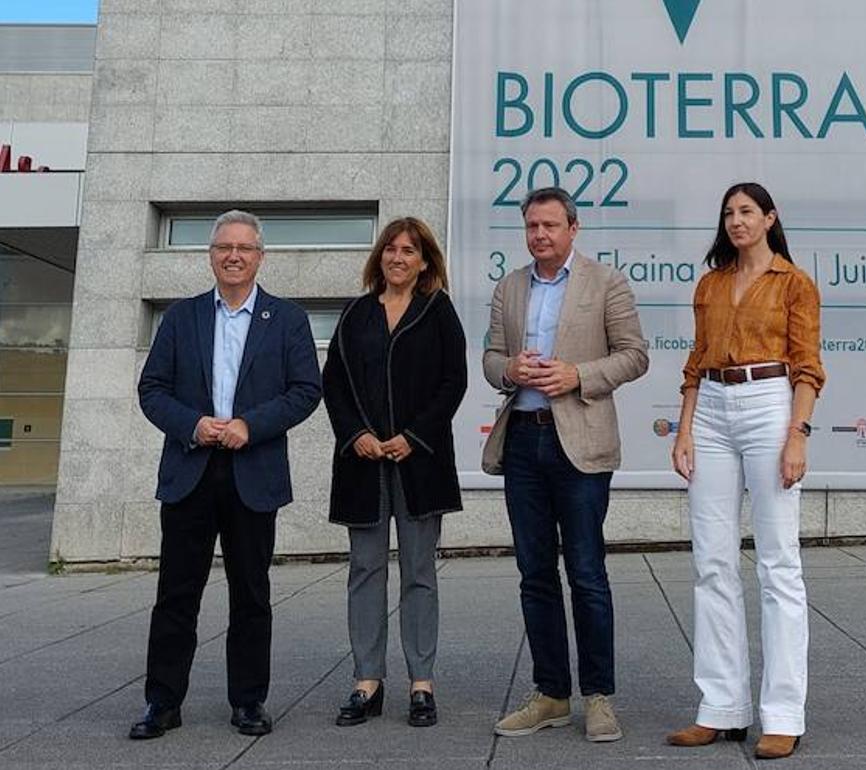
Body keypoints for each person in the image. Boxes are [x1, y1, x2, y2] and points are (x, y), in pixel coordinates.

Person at [130, 210, 322, 739]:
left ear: (260, 256)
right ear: (211, 255)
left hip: (251, 473)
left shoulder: (287, 319)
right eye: (223, 247)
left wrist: (249, 425)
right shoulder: (181, 317)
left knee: (252, 595)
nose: (233, 255)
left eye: (244, 247)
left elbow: (306, 390)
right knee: (175, 594)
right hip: (190, 471)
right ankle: (162, 704)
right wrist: (192, 424)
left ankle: (248, 702)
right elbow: (152, 391)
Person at [482, 187, 648, 743]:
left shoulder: (606, 283)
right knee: (534, 574)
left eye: (550, 225)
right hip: (524, 444)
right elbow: (489, 359)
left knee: (587, 573)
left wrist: (578, 375)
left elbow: (634, 355)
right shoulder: (510, 286)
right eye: (532, 226)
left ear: (573, 229)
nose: (540, 235)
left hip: (580, 442)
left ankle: (598, 696)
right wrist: (512, 368)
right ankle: (551, 693)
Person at [667, 183, 825, 760]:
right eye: (729, 213)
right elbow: (694, 362)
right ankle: (722, 708)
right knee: (711, 560)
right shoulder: (710, 283)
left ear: (769, 218)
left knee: (778, 562)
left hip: (769, 404)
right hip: (710, 406)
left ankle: (783, 713)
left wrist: (796, 435)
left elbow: (808, 367)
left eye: (747, 212)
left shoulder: (794, 282)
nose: (736, 221)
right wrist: (684, 430)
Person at [322, 217, 467, 728]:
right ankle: (367, 681)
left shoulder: (438, 311)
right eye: (390, 248)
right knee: (365, 571)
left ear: (425, 260)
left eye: (409, 250)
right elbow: (333, 383)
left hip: (418, 463)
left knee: (419, 573)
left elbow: (455, 382)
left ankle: (421, 683)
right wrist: (355, 433)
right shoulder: (356, 313)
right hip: (363, 465)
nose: (397, 257)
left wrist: (414, 436)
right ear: (379, 257)